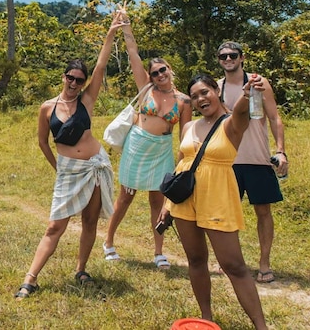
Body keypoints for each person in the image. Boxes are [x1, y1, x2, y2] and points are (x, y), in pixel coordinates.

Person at [14, 14, 123, 300]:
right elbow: (42, 141)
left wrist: (111, 32)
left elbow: (101, 65)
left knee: (89, 220)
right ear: (63, 77)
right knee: (55, 225)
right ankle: (30, 278)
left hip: (96, 166)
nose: (74, 83)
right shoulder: (47, 108)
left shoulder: (87, 100)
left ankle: (81, 269)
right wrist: (58, 167)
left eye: (79, 80)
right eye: (71, 78)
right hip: (68, 169)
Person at [156, 72, 268, 329]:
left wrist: (247, 94)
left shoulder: (231, 124)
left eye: (204, 92)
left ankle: (261, 326)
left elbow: (242, 113)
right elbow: (182, 162)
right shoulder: (188, 127)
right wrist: (167, 204)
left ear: (216, 92)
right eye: (194, 96)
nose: (200, 99)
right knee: (195, 260)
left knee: (234, 265)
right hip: (185, 201)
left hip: (217, 198)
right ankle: (206, 318)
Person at [102, 16, 191, 268]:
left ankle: (158, 252)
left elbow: (186, 134)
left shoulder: (184, 101)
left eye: (163, 70)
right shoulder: (146, 89)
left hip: (162, 150)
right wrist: (126, 28)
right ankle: (108, 241)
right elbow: (133, 54)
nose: (159, 74)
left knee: (158, 200)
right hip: (137, 145)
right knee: (126, 197)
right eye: (155, 73)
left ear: (170, 69)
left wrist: (183, 162)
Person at [217, 41, 288, 284]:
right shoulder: (217, 88)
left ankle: (264, 263)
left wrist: (281, 151)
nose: (228, 59)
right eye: (223, 56)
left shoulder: (259, 82)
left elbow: (274, 117)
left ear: (242, 57)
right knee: (227, 213)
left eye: (232, 55)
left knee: (263, 212)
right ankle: (227, 260)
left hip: (258, 159)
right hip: (229, 160)